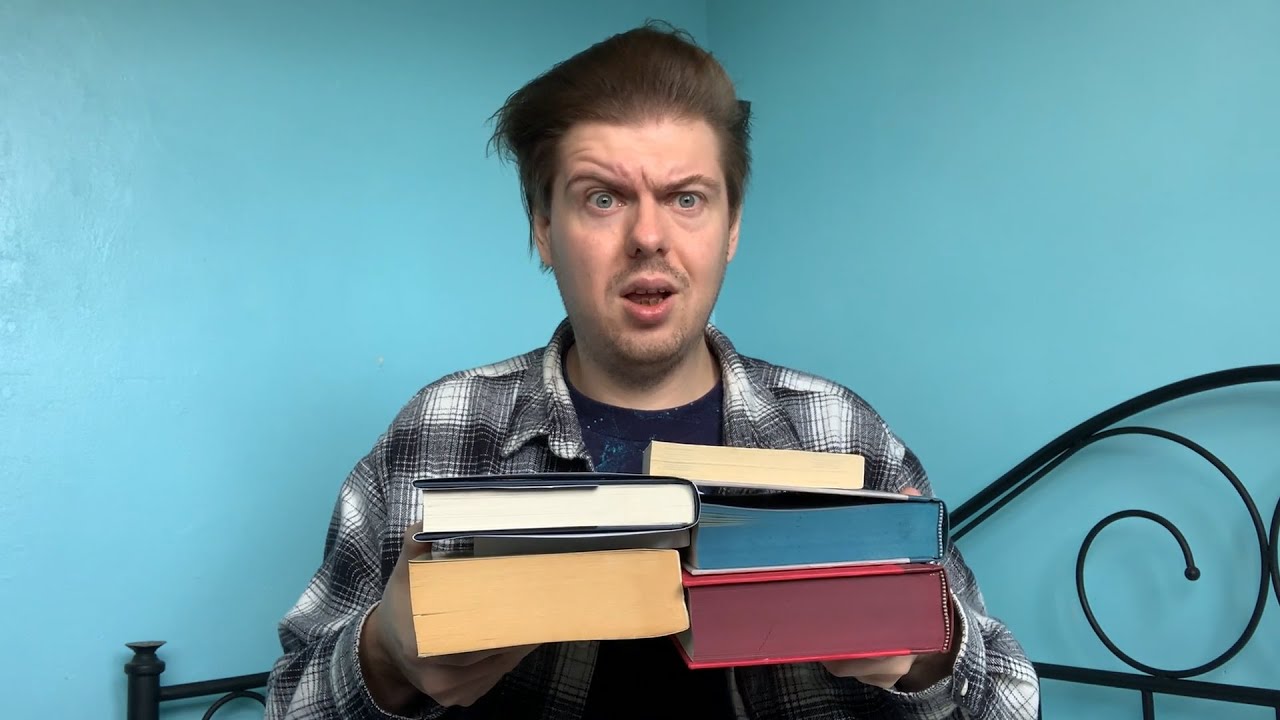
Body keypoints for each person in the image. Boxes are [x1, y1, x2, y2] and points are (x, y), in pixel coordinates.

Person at [264, 21, 1040, 720]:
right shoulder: (436, 428)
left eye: (687, 199)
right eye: (603, 199)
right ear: (544, 228)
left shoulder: (842, 431)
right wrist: (385, 658)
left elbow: (1013, 698)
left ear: (731, 228)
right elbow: (289, 702)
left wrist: (930, 652)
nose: (648, 236)